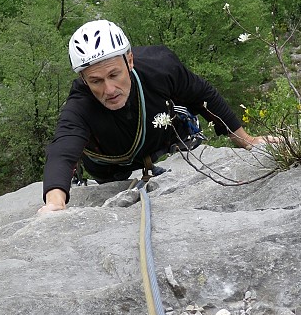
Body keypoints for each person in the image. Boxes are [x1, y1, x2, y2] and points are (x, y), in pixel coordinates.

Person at [39, 19, 270, 213]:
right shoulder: (81, 103)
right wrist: (55, 201)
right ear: (83, 80)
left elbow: (203, 95)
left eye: (114, 74)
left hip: (162, 139)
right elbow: (63, 148)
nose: (109, 90)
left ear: (129, 60)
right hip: (112, 164)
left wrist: (246, 141)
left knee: (173, 117)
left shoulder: (159, 67)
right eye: (96, 81)